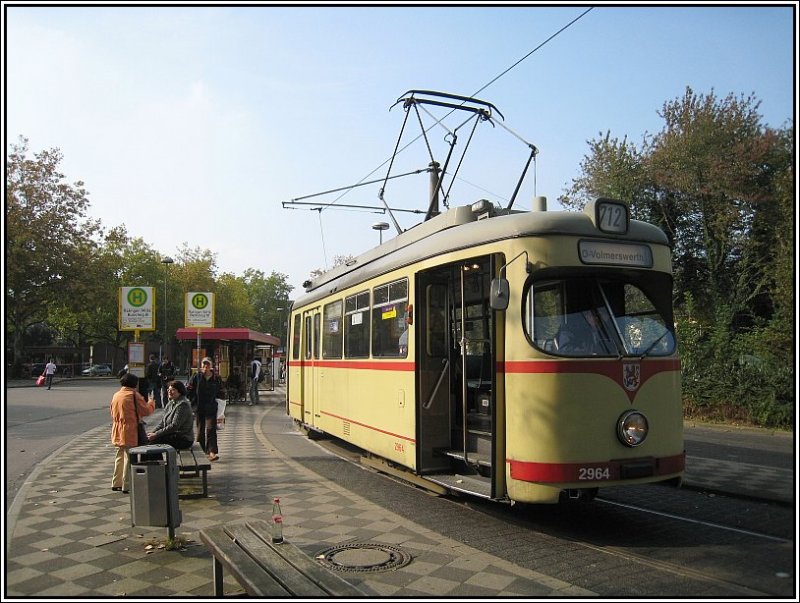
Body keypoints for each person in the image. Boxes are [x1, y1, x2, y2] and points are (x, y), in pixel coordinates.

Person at [110, 372, 155, 493]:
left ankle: (116, 482)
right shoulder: (134, 395)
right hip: (130, 429)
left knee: (119, 456)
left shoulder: (116, 395)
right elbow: (146, 411)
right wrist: (151, 403)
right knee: (129, 457)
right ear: (134, 384)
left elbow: (112, 411)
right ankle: (127, 485)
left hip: (117, 428)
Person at [187, 357, 223, 461]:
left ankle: (212, 452)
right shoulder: (196, 377)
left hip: (211, 407)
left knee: (211, 429)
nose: (205, 367)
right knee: (200, 430)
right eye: (204, 364)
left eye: (207, 365)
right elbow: (189, 390)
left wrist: (220, 404)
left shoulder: (216, 378)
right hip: (199, 407)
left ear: (211, 366)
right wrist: (193, 402)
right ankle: (201, 452)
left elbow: (221, 392)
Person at [147, 380, 194, 449]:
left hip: (183, 438)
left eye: (173, 390)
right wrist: (152, 432)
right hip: (172, 435)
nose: (169, 391)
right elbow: (162, 423)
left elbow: (174, 426)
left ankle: (155, 456)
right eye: (168, 390)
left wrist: (156, 435)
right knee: (147, 439)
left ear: (180, 391)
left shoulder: (183, 404)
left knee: (153, 442)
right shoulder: (171, 402)